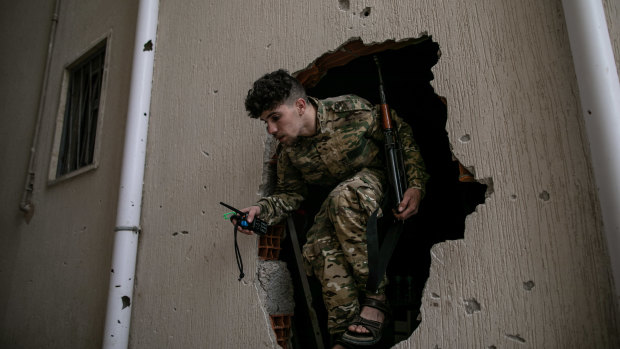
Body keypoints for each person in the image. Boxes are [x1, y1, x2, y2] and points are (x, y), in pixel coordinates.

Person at [234, 69, 428, 348]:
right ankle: (346, 336)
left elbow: (400, 136)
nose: (271, 130)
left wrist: (416, 185)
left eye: (275, 118)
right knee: (317, 245)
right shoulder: (290, 153)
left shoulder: (351, 110)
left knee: (342, 197)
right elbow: (291, 195)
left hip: (378, 186)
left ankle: (377, 298)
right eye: (266, 122)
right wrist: (259, 211)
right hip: (341, 206)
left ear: (300, 106)